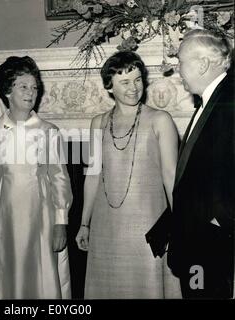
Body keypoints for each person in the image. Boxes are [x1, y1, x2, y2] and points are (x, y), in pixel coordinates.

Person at [75, 51, 180, 298]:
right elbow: (92, 175)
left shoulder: (160, 120)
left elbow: (171, 174)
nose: (133, 88)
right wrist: (84, 223)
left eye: (137, 80)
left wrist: (180, 224)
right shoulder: (98, 123)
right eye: (125, 82)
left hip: (148, 225)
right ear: (109, 87)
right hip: (106, 226)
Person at [0, 56, 73, 299]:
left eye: (35, 87)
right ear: (7, 91)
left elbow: (59, 178)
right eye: (23, 86)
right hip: (1, 216)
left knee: (39, 273)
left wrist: (60, 222)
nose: (31, 93)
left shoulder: (48, 131)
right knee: (3, 272)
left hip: (40, 216)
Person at [167, 29, 234, 299]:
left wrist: (222, 219)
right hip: (198, 240)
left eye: (181, 61)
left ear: (203, 64)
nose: (177, 69)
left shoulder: (229, 100)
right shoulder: (210, 101)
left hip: (212, 241)